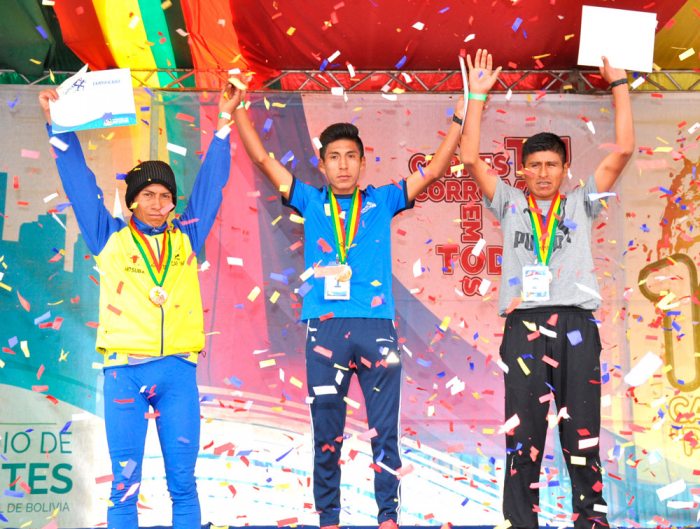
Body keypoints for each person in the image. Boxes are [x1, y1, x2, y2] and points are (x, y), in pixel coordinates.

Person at [232, 78, 464, 529]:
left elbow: (435, 170)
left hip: (377, 328)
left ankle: (388, 517)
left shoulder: (383, 200)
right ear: (321, 164)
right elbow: (262, 159)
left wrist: (461, 113)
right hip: (326, 329)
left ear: (363, 161)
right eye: (334, 157)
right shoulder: (308, 199)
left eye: (350, 156)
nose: (343, 165)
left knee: (384, 431)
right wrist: (237, 110)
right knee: (327, 430)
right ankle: (329, 518)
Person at [38, 85, 241, 528]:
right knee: (125, 485)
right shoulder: (108, 237)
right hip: (124, 373)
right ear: (132, 200)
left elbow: (210, 187)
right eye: (147, 195)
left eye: (165, 196)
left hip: (177, 373)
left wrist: (225, 123)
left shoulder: (186, 236)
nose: (157, 203)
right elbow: (80, 185)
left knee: (183, 484)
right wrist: (58, 127)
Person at [460, 49, 634, 529]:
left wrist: (619, 83)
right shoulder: (508, 203)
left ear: (564, 168)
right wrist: (478, 95)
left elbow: (622, 150)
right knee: (525, 437)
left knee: (582, 434)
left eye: (551, 165)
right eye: (534, 165)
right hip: (525, 329)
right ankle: (521, 522)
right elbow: (469, 157)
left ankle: (591, 521)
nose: (542, 173)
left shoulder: (582, 202)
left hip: (576, 326)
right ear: (522, 170)